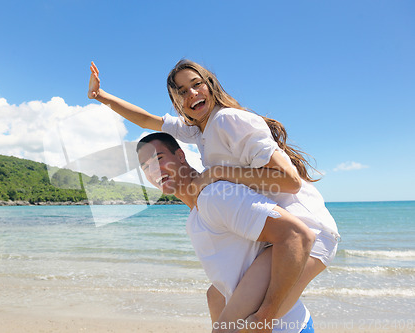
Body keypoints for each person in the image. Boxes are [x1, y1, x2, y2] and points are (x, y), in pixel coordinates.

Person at [88, 60, 339, 327]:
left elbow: (289, 182)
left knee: (250, 323)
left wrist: (219, 172)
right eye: (182, 91)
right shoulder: (198, 130)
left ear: (210, 85)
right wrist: (100, 96)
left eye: (197, 85)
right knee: (217, 297)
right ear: (177, 101)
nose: (192, 94)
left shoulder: (227, 120)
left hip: (308, 230)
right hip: (281, 231)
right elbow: (149, 120)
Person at [136, 132, 315, 333]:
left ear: (180, 156)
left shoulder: (215, 196)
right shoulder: (196, 216)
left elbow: (297, 236)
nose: (154, 170)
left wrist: (265, 317)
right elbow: (222, 287)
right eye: (145, 167)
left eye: (159, 159)